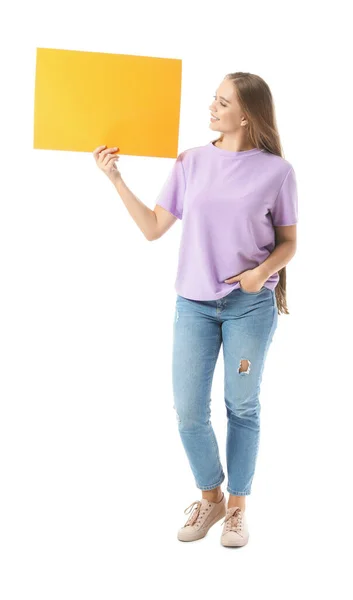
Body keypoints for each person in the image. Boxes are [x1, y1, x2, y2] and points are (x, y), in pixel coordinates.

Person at [92, 71, 298, 548]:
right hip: (195, 305)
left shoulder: (277, 172)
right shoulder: (191, 162)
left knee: (241, 406)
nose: (211, 107)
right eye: (213, 99)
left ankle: (239, 507)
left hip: (250, 306)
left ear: (245, 115)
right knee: (188, 411)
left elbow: (289, 244)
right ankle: (211, 496)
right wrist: (115, 177)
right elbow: (152, 228)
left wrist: (258, 272)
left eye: (222, 102)